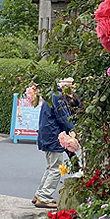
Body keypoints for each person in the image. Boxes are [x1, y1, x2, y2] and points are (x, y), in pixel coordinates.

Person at [33, 78, 76, 209]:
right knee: (56, 168)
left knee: (51, 166)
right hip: (53, 136)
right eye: (72, 87)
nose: (73, 90)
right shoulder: (59, 98)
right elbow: (64, 117)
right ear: (65, 87)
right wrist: (73, 131)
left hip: (47, 135)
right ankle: (44, 196)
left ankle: (40, 194)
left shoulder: (52, 95)